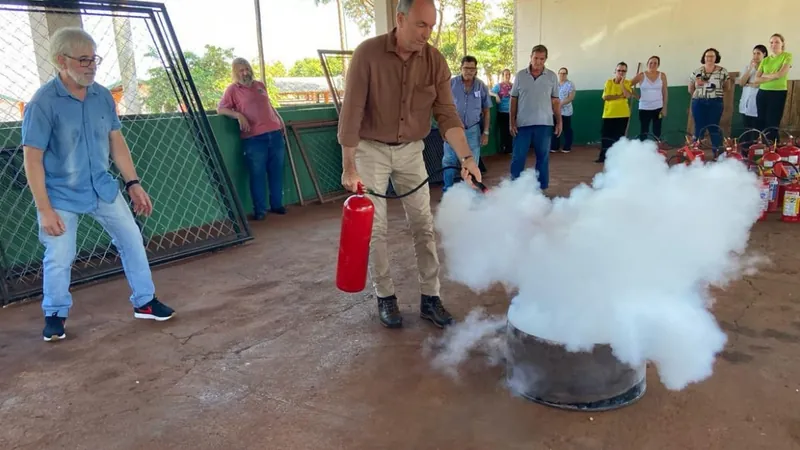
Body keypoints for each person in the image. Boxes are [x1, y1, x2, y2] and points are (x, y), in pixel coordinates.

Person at [21, 27, 175, 342]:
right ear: (60, 61)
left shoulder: (102, 95)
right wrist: (45, 210)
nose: (91, 66)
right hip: (61, 195)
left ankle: (144, 302)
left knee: (132, 239)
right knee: (60, 255)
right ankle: (55, 314)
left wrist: (133, 183)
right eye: (83, 60)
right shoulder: (43, 103)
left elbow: (116, 141)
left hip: (103, 188)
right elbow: (32, 160)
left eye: (94, 59)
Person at [337, 0, 482, 329]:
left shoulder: (434, 61)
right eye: (421, 25)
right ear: (400, 19)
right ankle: (385, 296)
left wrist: (467, 159)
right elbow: (352, 114)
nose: (427, 34)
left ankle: (430, 298)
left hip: (411, 151)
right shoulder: (367, 55)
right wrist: (350, 166)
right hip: (370, 150)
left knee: (423, 225)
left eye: (431, 26)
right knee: (376, 230)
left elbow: (447, 115)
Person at [218, 57, 287, 221]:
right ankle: (260, 210)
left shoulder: (259, 85)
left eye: (247, 69)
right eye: (241, 70)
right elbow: (221, 109)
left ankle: (277, 204)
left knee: (276, 172)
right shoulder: (232, 90)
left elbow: (269, 105)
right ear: (235, 73)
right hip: (254, 138)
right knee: (257, 174)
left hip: (275, 133)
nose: (245, 73)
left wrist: (280, 120)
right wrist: (238, 115)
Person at [509, 45, 562, 190]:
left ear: (545, 59)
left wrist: (559, 121)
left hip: (545, 124)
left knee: (543, 159)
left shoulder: (552, 76)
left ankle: (541, 189)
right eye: (535, 58)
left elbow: (556, 100)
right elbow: (513, 99)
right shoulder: (520, 75)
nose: (538, 62)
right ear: (530, 57)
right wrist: (511, 122)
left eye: (541, 59)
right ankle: (514, 189)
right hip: (522, 125)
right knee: (518, 157)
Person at [442, 55, 492, 192]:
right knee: (449, 161)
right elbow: (442, 107)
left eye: (472, 68)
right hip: (453, 129)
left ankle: (469, 194)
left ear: (476, 70)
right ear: (460, 68)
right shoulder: (451, 84)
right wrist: (444, 129)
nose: (468, 71)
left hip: (473, 130)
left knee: (472, 164)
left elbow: (486, 110)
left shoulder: (481, 86)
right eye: (466, 68)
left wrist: (486, 132)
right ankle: (448, 192)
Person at [689, 48, 730, 156]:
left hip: (715, 103)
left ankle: (718, 154)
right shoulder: (697, 71)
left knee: (714, 127)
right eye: (707, 56)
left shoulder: (723, 71)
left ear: (716, 58)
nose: (709, 58)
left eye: (712, 56)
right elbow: (690, 88)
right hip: (698, 102)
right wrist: (699, 95)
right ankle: (695, 155)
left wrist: (715, 94)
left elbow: (727, 87)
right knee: (699, 127)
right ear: (704, 57)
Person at [754, 34, 793, 144]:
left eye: (776, 42)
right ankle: (763, 147)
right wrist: (772, 75)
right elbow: (756, 79)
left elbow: (780, 74)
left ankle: (774, 148)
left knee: (772, 122)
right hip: (762, 93)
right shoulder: (765, 60)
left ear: (782, 43)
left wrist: (765, 76)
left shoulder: (787, 56)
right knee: (761, 121)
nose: (773, 44)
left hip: (778, 93)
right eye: (771, 42)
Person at [597, 62, 634, 163]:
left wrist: (622, 84)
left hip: (623, 114)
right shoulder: (609, 82)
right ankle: (603, 157)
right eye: (619, 70)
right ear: (615, 71)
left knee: (619, 137)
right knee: (606, 136)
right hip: (608, 114)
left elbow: (627, 95)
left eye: (623, 71)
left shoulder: (627, 83)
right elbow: (605, 97)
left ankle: (617, 157)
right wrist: (619, 96)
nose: (621, 73)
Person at [631, 56, 668, 140]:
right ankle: (643, 149)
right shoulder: (641, 75)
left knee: (657, 130)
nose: (653, 65)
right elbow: (628, 85)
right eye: (651, 63)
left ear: (658, 65)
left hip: (658, 107)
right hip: (644, 108)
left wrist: (665, 107)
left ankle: (657, 149)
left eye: (655, 63)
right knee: (644, 130)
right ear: (647, 64)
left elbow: (665, 91)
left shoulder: (662, 75)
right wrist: (637, 96)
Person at [737, 44, 768, 146]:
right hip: (746, 102)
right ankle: (746, 151)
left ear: (764, 54)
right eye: (754, 53)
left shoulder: (767, 68)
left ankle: (757, 151)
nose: (755, 56)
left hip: (759, 103)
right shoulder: (748, 67)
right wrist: (750, 69)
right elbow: (741, 83)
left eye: (758, 53)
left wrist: (749, 84)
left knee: (757, 131)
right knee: (747, 129)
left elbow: (758, 84)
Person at [550, 67, 575, 153]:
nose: (562, 75)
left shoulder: (570, 84)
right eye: (560, 73)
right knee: (555, 128)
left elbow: (571, 97)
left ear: (566, 74)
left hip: (566, 111)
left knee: (566, 129)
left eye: (564, 73)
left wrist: (560, 104)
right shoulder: (555, 84)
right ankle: (554, 146)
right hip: (555, 111)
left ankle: (567, 147)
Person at [491, 69, 514, 153]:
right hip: (502, 112)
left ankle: (510, 148)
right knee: (504, 131)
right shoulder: (499, 86)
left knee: (512, 130)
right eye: (505, 75)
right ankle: (505, 149)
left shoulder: (513, 85)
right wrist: (495, 95)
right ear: (502, 76)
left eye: (509, 74)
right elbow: (489, 92)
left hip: (512, 112)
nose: (507, 76)